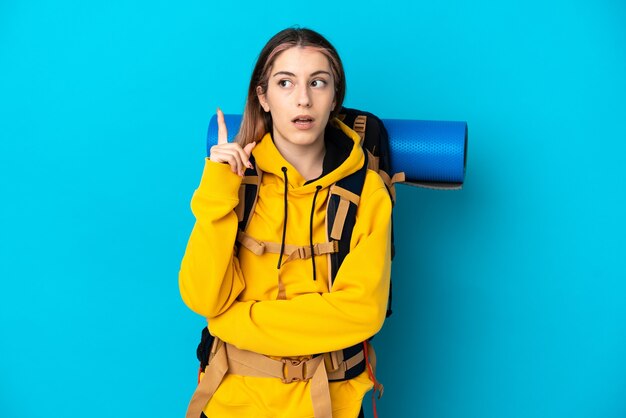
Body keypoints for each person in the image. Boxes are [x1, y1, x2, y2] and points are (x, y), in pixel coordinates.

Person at [179, 27, 392, 418]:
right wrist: (218, 187)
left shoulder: (368, 192)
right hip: (230, 402)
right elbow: (201, 296)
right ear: (263, 97)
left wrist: (233, 320)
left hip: (330, 405)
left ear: (334, 98)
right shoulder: (233, 183)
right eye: (285, 82)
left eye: (317, 82)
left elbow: (362, 312)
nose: (303, 99)